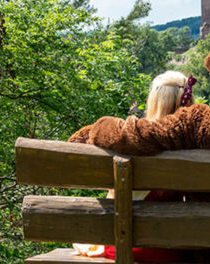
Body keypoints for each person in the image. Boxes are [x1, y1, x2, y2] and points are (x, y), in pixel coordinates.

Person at [74, 71, 196, 263]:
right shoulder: (193, 144)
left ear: (153, 101)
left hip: (121, 245)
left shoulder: (129, 140)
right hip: (170, 250)